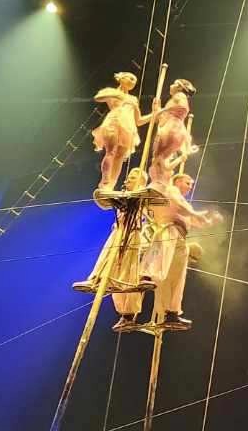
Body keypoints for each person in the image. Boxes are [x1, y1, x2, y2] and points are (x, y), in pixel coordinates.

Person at [131, 171, 218, 331]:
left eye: (191, 184)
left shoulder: (184, 202)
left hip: (181, 237)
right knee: (161, 261)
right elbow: (180, 208)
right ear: (177, 181)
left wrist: (210, 221)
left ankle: (171, 313)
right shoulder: (171, 191)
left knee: (176, 277)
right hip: (168, 230)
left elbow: (194, 221)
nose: (190, 187)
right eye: (187, 182)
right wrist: (196, 214)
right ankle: (146, 276)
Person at [72, 169, 155, 320]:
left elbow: (147, 198)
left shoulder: (142, 196)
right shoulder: (121, 196)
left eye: (132, 178)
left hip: (131, 233)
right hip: (119, 231)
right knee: (107, 256)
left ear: (140, 181)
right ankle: (96, 280)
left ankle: (125, 302)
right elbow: (101, 198)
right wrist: (115, 196)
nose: (127, 180)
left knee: (127, 264)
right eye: (128, 177)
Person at [90, 72, 157, 192]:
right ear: (122, 78)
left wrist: (154, 113)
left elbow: (139, 121)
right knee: (111, 152)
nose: (133, 81)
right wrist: (116, 95)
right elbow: (97, 98)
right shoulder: (112, 91)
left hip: (128, 128)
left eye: (135, 80)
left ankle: (111, 185)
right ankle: (104, 182)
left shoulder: (133, 99)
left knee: (120, 157)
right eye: (130, 78)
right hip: (114, 122)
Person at [148, 78, 197, 187]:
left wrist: (162, 110)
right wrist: (158, 109)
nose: (170, 86)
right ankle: (158, 182)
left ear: (179, 87)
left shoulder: (180, 96)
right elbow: (164, 117)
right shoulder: (176, 98)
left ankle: (159, 183)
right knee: (159, 157)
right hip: (172, 127)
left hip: (173, 128)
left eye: (173, 84)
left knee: (159, 157)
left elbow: (183, 108)